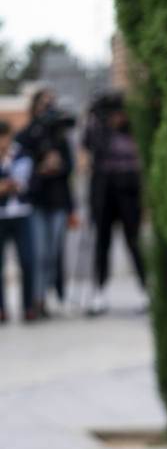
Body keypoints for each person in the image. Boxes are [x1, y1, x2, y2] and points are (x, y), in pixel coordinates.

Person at [82, 92, 147, 315]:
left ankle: (145, 291)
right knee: (102, 242)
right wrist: (100, 125)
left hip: (129, 188)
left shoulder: (132, 128)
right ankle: (99, 292)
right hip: (104, 189)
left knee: (134, 241)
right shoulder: (97, 128)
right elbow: (88, 149)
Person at [17, 87, 76, 318]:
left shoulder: (60, 137)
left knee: (54, 253)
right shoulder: (28, 135)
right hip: (36, 203)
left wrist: (59, 164)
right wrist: (39, 167)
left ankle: (52, 296)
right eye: (44, 104)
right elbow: (21, 166)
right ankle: (37, 299)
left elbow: (70, 168)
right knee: (39, 253)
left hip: (58, 201)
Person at [0, 121, 37, 324]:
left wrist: (8, 184)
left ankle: (28, 305)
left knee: (28, 260)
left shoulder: (22, 154)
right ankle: (1, 308)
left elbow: (22, 184)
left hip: (21, 214)